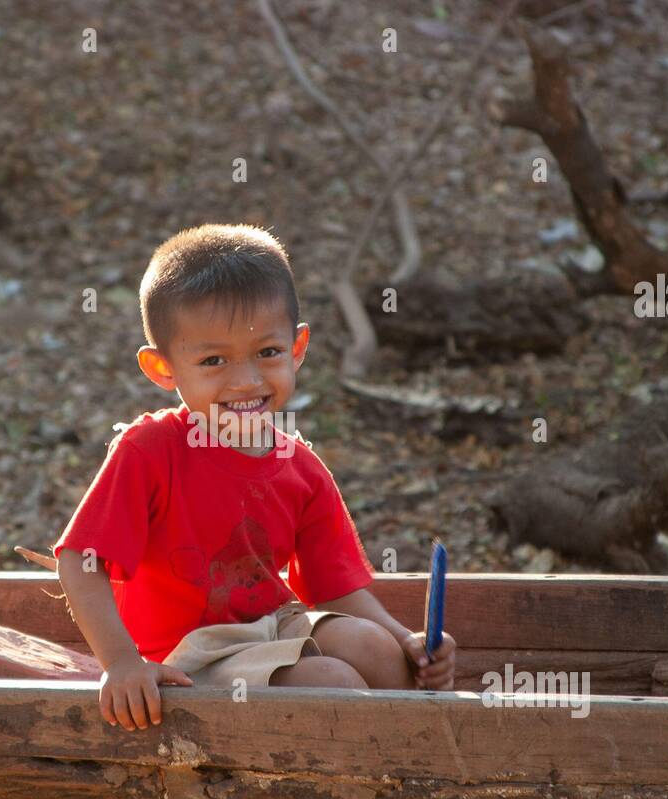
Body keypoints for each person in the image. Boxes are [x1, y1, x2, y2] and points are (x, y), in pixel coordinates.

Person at [54, 223, 455, 732]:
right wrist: (122, 664)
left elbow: (333, 588)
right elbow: (79, 561)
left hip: (274, 627)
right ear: (162, 368)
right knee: (333, 681)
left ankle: (414, 768)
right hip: (186, 658)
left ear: (298, 346)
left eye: (267, 352)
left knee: (374, 647)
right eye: (213, 360)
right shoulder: (150, 451)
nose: (245, 380)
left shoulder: (299, 468)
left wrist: (409, 642)